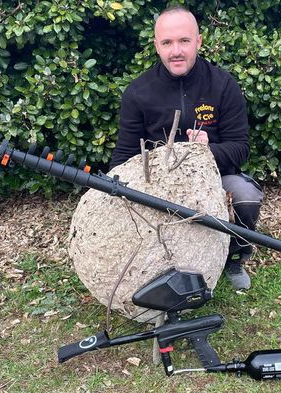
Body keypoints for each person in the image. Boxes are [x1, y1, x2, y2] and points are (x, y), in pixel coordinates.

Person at [109, 5, 263, 289]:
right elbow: (125, 154)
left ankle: (234, 257)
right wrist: (112, 186)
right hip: (157, 184)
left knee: (246, 195)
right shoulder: (138, 92)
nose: (175, 51)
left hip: (215, 178)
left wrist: (208, 151)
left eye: (184, 41)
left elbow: (241, 148)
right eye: (167, 42)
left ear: (199, 41)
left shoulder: (224, 85)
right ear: (156, 46)